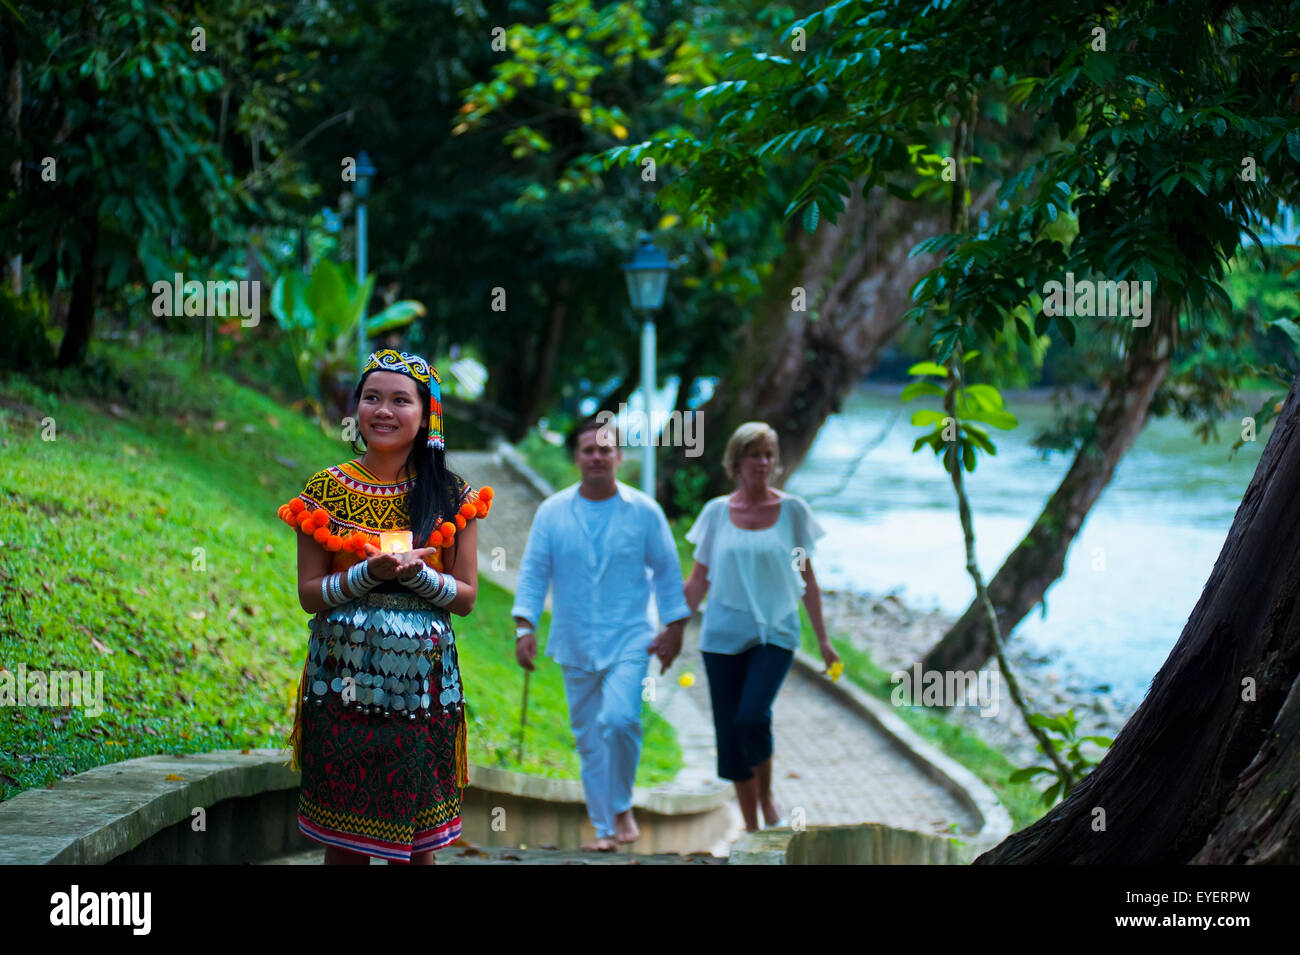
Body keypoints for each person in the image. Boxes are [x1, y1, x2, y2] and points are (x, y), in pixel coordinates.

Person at [278, 348, 495, 865]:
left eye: (401, 400)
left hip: (423, 691)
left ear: (427, 416)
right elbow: (310, 593)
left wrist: (420, 577)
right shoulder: (325, 490)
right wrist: (363, 576)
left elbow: (465, 599)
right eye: (371, 398)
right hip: (343, 684)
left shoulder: (453, 496)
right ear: (356, 411)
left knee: (418, 845)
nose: (383, 411)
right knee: (346, 840)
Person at [511, 416, 690, 851]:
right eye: (588, 450)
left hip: (631, 634)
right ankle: (606, 829)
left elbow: (668, 573)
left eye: (605, 449)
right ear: (576, 457)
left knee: (621, 719)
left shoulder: (644, 512)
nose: (597, 457)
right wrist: (524, 626)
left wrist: (676, 628)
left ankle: (622, 805)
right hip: (574, 638)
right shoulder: (552, 512)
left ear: (619, 457)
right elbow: (534, 572)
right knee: (590, 738)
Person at [683, 421, 840, 832]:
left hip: (776, 632)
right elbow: (699, 580)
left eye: (769, 454)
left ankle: (767, 798)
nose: (763, 462)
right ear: (737, 461)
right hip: (721, 636)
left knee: (752, 716)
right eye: (754, 454)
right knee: (729, 730)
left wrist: (823, 640)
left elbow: (808, 579)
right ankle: (751, 827)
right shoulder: (717, 514)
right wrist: (670, 629)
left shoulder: (792, 512)